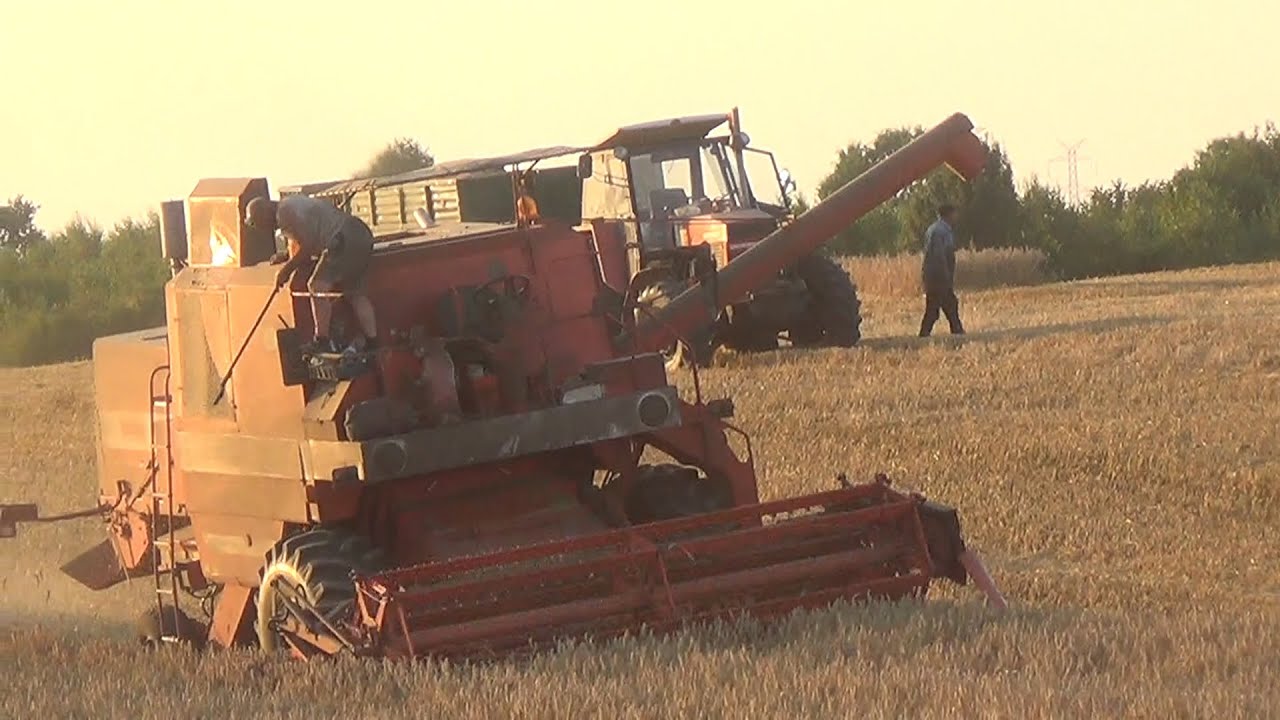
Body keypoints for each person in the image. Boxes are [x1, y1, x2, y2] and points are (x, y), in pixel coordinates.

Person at [245, 195, 378, 354]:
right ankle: (373, 341)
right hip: (360, 234)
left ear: (264, 212)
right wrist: (287, 256)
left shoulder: (284, 213)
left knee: (316, 286)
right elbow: (300, 242)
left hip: (341, 238)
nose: (261, 228)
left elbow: (306, 247)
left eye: (257, 222)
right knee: (355, 293)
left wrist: (286, 270)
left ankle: (322, 340)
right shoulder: (291, 205)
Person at [919, 203, 965, 337]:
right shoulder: (941, 231)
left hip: (934, 275)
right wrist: (945, 274)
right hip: (938, 275)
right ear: (948, 214)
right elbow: (939, 255)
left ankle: (955, 330)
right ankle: (955, 331)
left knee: (941, 306)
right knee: (944, 305)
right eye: (955, 213)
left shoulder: (936, 229)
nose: (956, 216)